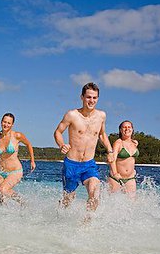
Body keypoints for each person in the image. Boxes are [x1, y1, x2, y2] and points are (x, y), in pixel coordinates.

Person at [54, 82, 115, 211]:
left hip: (89, 164)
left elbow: (102, 135)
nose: (91, 100)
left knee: (95, 192)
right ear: (82, 97)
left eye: (94, 97)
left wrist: (110, 151)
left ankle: (86, 226)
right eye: (88, 97)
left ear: (98, 98)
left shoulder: (101, 116)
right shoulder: (72, 115)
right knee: (68, 199)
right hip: (71, 164)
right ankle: (57, 217)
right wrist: (61, 145)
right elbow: (58, 132)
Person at [0, 113, 36, 206]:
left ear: (12, 124)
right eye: (4, 122)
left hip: (15, 171)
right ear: (1, 122)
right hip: (2, 172)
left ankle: (23, 202)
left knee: (3, 189)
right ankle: (4, 214)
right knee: (1, 197)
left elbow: (29, 145)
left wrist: (32, 161)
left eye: (8, 123)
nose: (6, 125)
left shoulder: (17, 135)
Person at [108, 120, 138, 198]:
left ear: (132, 129)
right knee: (112, 203)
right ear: (120, 130)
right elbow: (112, 160)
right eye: (124, 127)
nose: (127, 129)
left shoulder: (135, 143)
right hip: (116, 178)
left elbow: (131, 159)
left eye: (129, 127)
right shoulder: (118, 143)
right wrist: (115, 174)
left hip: (130, 178)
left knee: (131, 204)